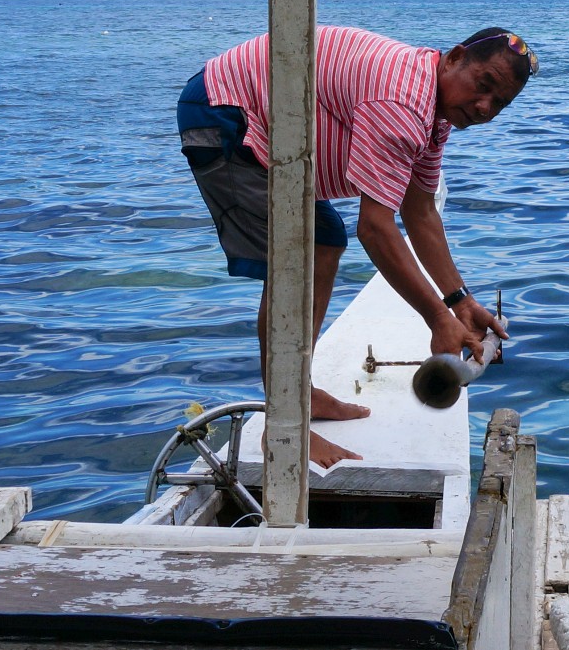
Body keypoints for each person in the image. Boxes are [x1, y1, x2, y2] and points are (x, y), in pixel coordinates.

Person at [176, 24, 537, 467]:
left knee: (322, 240)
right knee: (302, 252)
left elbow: (419, 211)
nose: (485, 107)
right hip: (226, 111)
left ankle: (296, 396)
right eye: (483, 87)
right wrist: (437, 319)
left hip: (255, 108)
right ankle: (285, 427)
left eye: (500, 103)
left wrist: (460, 302)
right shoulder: (401, 101)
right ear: (456, 57)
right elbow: (375, 228)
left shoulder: (433, 111)